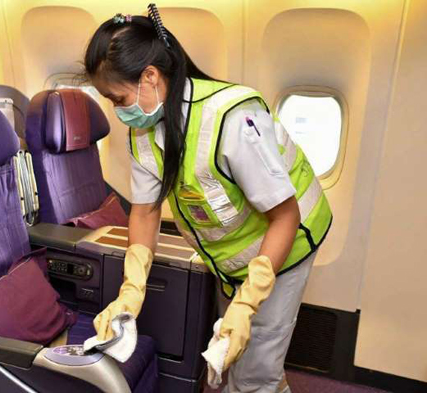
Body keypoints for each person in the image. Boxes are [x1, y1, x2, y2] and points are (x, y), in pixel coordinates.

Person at [84, 5, 332, 393]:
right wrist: (130, 292)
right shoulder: (145, 130)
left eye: (117, 99)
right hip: (230, 256)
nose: (118, 112)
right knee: (237, 351)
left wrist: (248, 303)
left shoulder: (232, 119)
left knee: (253, 370)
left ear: (150, 76)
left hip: (286, 243)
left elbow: (285, 215)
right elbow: (146, 211)